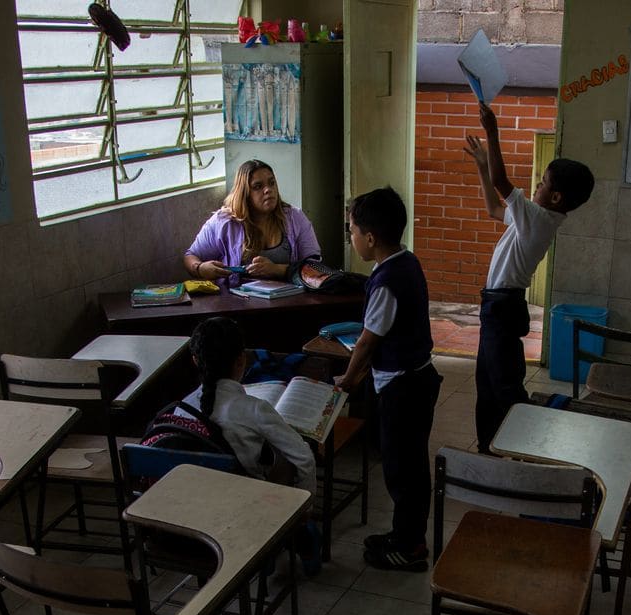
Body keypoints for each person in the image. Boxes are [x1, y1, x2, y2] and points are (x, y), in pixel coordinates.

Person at [464, 102, 594, 452]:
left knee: (504, 387)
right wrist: (480, 165)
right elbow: (494, 208)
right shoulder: (533, 220)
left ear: (554, 196)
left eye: (541, 183)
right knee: (488, 384)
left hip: (503, 309)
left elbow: (501, 182)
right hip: (497, 306)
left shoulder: (538, 219)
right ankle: (490, 448)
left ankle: (528, 444)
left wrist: (492, 130)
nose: (535, 187)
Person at [335, 187, 442, 572]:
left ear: (370, 238)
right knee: (408, 465)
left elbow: (366, 342)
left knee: (403, 470)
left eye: (352, 230)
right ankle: (403, 535)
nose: (351, 237)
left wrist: (347, 380)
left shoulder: (386, 283)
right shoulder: (405, 261)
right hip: (416, 378)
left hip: (404, 388)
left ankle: (410, 547)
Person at [179, 316, 322, 574]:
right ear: (241, 360)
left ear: (195, 361)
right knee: (283, 457)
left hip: (197, 514)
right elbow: (305, 458)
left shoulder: (182, 408)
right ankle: (297, 534)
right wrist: (305, 510)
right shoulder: (254, 409)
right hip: (248, 510)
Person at [184, 160, 322, 286]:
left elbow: (314, 267)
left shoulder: (295, 218)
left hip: (289, 302)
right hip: (238, 304)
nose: (268, 190)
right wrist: (200, 269)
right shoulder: (224, 222)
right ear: (244, 193)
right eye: (258, 186)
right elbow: (191, 256)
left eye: (271, 183)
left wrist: (277, 270)